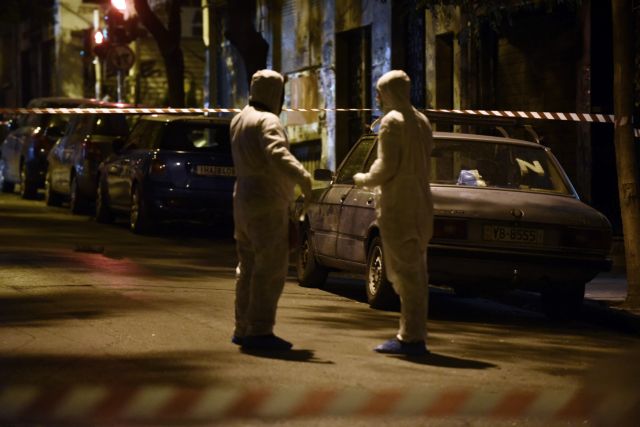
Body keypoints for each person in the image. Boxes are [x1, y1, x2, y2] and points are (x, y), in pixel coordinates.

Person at [230, 69, 313, 351]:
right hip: (267, 201)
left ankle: (242, 327)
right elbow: (277, 153)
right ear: (275, 93)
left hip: (242, 200)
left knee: (247, 267)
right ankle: (260, 331)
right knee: (270, 270)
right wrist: (303, 177)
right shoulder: (268, 120)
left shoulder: (240, 118)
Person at [353, 70, 434, 356]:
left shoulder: (391, 122)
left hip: (399, 205)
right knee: (416, 271)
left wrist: (362, 179)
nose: (377, 97)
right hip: (421, 203)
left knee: (404, 273)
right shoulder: (422, 121)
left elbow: (386, 167)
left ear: (388, 92)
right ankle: (413, 333)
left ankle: (411, 337)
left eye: (379, 92)